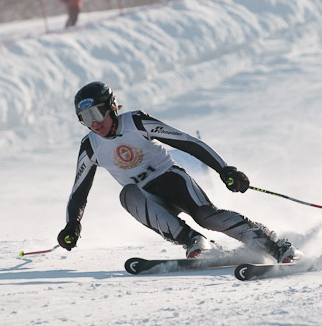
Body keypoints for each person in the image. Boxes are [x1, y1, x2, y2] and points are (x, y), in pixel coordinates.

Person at [57, 82, 301, 263]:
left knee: (207, 216)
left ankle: (276, 247)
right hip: (148, 199)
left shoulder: (137, 123)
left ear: (111, 109)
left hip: (172, 181)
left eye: (97, 114)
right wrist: (72, 225)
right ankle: (193, 240)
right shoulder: (90, 146)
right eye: (85, 118)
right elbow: (78, 192)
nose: (94, 123)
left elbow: (186, 142)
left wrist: (224, 169)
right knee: (127, 194)